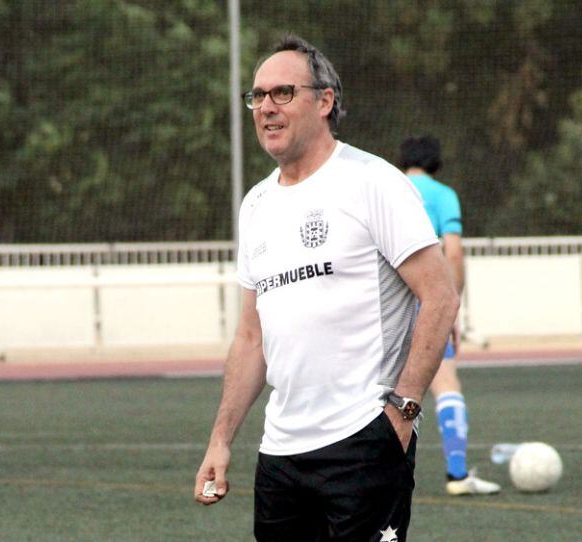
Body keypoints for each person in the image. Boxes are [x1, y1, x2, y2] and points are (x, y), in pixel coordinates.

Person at [194, 34, 459, 542]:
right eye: (257, 96)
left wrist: (402, 412)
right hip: (281, 453)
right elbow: (252, 338)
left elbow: (441, 294)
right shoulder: (255, 206)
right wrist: (221, 440)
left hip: (364, 441)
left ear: (325, 101)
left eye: (283, 93)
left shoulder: (371, 182)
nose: (266, 108)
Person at [399, 135, 501, 496]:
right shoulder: (442, 195)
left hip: (387, 306)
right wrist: (451, 303)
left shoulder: (388, 190)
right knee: (446, 386)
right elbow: (453, 253)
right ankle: (457, 475)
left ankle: (369, 475)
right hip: (426, 303)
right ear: (436, 163)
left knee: (385, 392)